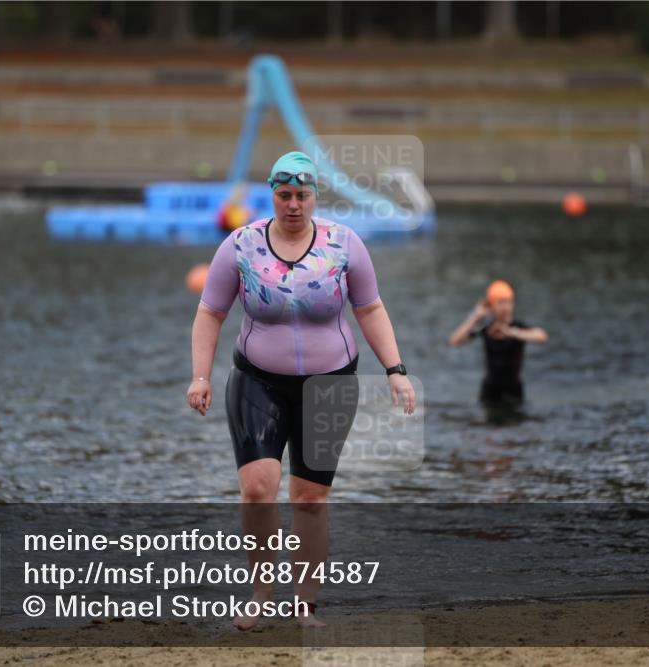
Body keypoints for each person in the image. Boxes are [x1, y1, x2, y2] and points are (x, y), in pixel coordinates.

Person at [187, 151, 416, 630]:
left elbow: (370, 309)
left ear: (315, 196)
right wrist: (201, 376)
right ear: (271, 194)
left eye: (302, 195)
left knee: (309, 497)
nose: (293, 204)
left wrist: (395, 369)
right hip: (257, 380)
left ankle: (304, 604)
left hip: (330, 383)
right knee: (257, 488)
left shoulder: (344, 244)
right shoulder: (241, 245)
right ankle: (260, 595)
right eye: (284, 195)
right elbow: (211, 312)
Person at [448, 280, 548, 415]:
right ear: (491, 306)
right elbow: (455, 341)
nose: (505, 307)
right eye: (500, 302)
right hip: (490, 391)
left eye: (509, 302)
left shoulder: (518, 327)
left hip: (514, 390)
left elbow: (542, 336)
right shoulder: (486, 329)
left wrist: (512, 332)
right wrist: (476, 317)